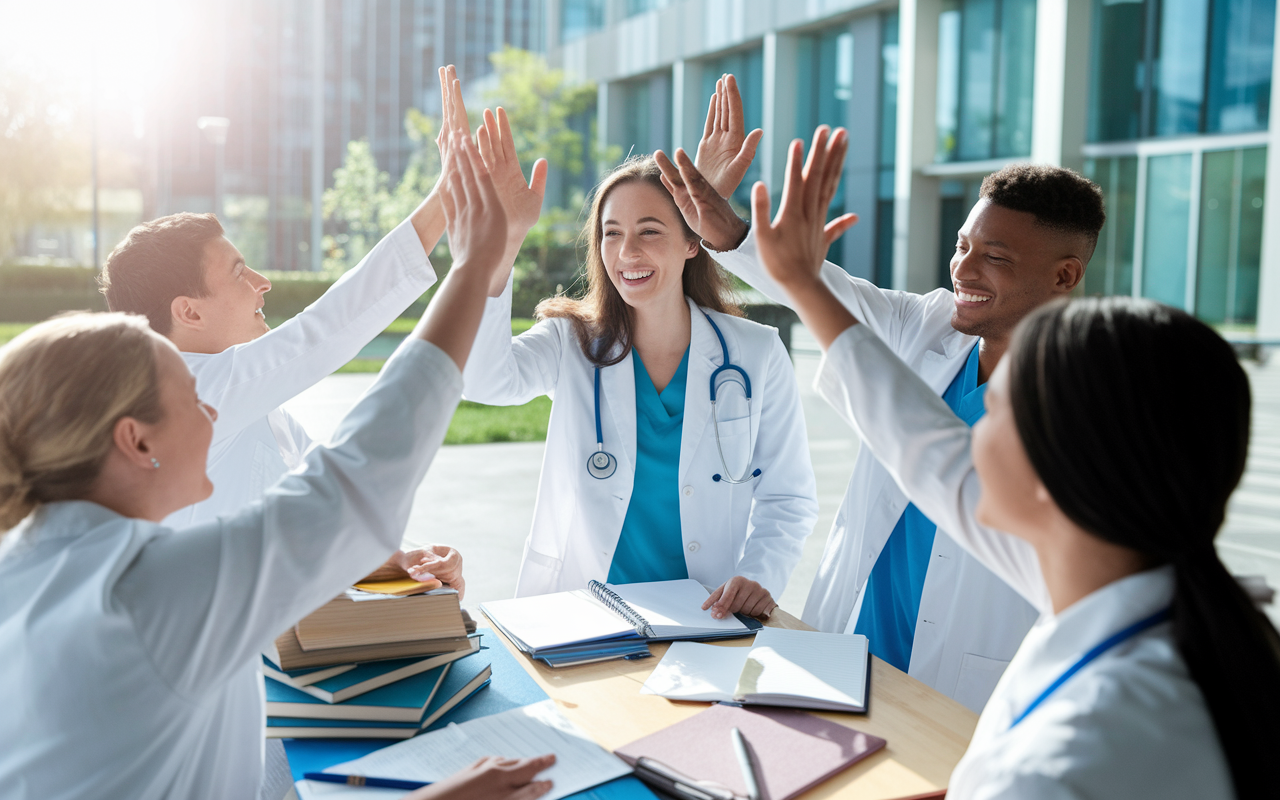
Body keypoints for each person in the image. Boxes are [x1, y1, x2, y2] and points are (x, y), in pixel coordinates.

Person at [0, 132, 557, 800]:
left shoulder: (36, 568)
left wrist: (387, 563)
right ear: (135, 441)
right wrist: (473, 264)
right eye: (189, 401)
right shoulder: (155, 590)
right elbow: (352, 483)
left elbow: (322, 496)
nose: (207, 415)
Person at [749, 128, 1280, 796]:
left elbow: (924, 450)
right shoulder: (1144, 587)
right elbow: (922, 449)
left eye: (1002, 408)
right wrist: (799, 278)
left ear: (1065, 468)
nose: (966, 433)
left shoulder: (1066, 757)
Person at [653, 75, 1105, 709]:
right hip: (851, 640)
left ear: (1066, 275)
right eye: (961, 245)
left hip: (970, 677)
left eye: (994, 257)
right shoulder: (924, 326)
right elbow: (821, 292)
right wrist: (727, 230)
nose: (963, 270)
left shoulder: (1092, 401)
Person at [96, 67, 478, 593]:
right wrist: (447, 195)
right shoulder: (185, 394)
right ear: (188, 311)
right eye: (238, 272)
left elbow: (324, 503)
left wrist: (406, 559)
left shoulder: (253, 403)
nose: (262, 283)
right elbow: (324, 331)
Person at [459, 105, 818, 618]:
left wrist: (758, 576)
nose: (627, 251)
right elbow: (482, 380)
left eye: (649, 231)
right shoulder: (571, 341)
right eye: (611, 232)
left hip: (705, 611)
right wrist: (505, 238)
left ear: (693, 241)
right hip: (583, 609)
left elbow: (789, 498)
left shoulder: (755, 354)